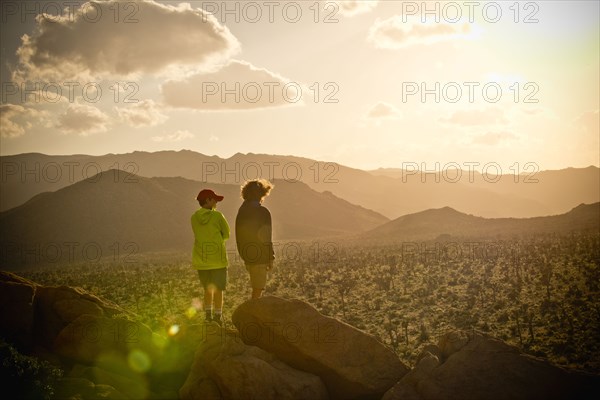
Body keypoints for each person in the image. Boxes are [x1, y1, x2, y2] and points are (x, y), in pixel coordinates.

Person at [191, 189, 230, 325]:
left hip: (201, 260)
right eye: (214, 199)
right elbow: (226, 234)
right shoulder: (218, 216)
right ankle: (218, 317)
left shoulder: (194, 217)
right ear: (207, 200)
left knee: (207, 289)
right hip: (218, 260)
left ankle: (208, 316)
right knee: (219, 290)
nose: (216, 202)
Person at [235, 179, 275, 299]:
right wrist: (270, 257)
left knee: (256, 287)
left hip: (247, 254)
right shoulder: (262, 212)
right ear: (262, 194)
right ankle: (252, 315)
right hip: (260, 255)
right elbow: (266, 237)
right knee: (258, 289)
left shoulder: (242, 211)